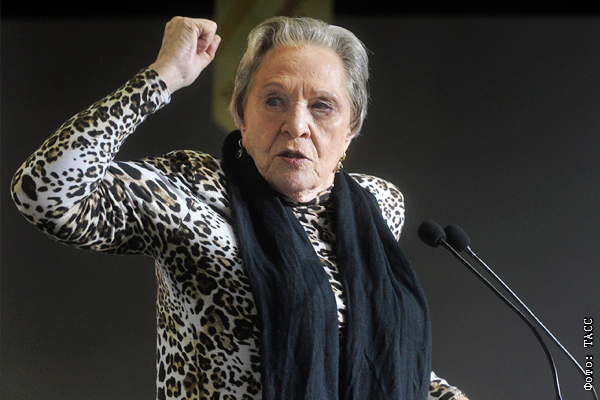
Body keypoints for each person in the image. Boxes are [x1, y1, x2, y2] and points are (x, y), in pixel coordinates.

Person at [11, 16, 469, 400]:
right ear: (241, 114)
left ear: (351, 129)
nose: (296, 125)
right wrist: (161, 79)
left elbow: (374, 355)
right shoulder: (190, 188)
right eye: (274, 101)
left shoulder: (377, 204)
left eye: (322, 106)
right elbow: (42, 191)